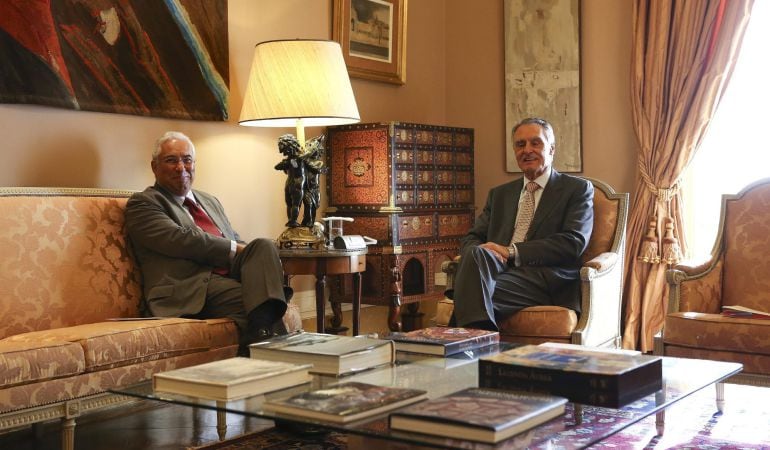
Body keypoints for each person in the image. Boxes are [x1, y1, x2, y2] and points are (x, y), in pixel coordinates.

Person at [125, 131, 289, 355]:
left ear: (194, 164)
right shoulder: (143, 203)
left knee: (263, 245)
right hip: (187, 287)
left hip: (226, 277)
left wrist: (243, 249)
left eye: (187, 159)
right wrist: (235, 248)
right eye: (171, 160)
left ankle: (258, 345)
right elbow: (182, 240)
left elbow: (234, 238)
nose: (181, 167)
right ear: (154, 167)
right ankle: (269, 363)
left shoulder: (209, 201)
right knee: (263, 306)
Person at [449, 118, 593, 331]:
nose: (527, 150)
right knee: (474, 253)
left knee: (471, 291)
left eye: (536, 143)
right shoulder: (500, 194)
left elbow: (573, 242)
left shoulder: (577, 189)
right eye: (520, 144)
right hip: (496, 270)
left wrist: (510, 252)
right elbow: (472, 237)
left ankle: (468, 348)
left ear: (551, 149)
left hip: (546, 278)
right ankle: (479, 345)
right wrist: (484, 252)